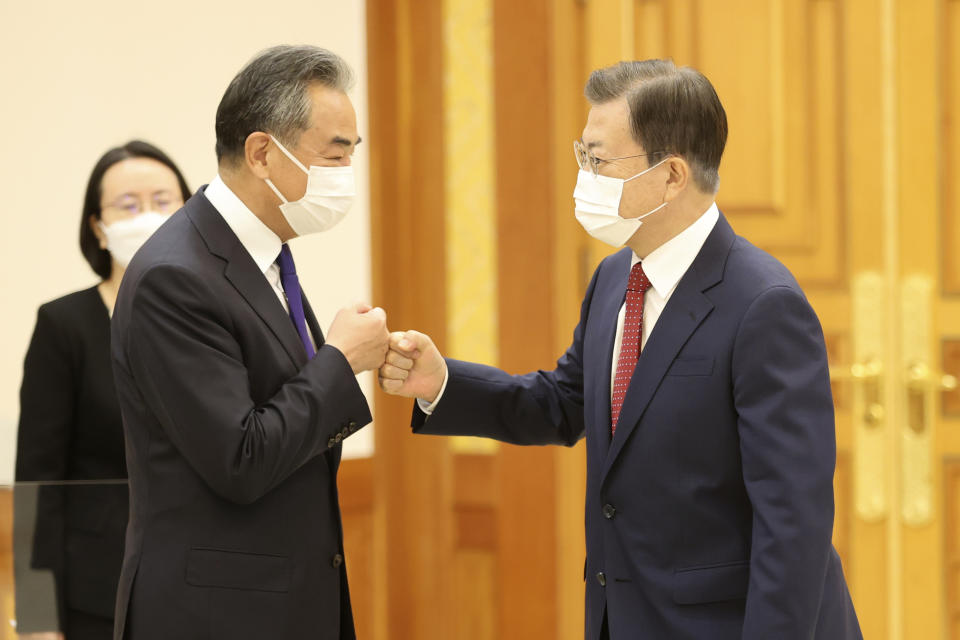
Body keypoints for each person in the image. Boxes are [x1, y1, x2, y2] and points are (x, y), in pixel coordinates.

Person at [379, 59, 863, 639]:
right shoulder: (615, 277)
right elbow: (563, 402)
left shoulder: (764, 305)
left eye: (600, 161)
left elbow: (794, 524)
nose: (585, 176)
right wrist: (441, 385)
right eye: (582, 155)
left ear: (672, 175)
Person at [109, 45, 388, 640]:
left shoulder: (263, 256)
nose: (345, 173)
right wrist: (340, 361)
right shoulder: (175, 275)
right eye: (334, 154)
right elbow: (240, 458)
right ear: (263, 153)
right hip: (213, 613)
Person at [15, 140, 191, 640]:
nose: (148, 216)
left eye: (163, 201)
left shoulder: (215, 319)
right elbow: (37, 479)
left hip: (201, 582)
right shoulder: (64, 325)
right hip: (97, 589)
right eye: (128, 206)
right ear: (98, 226)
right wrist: (36, 617)